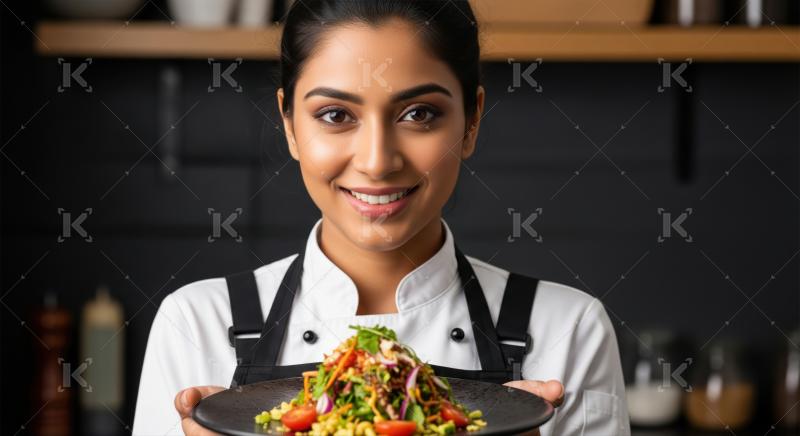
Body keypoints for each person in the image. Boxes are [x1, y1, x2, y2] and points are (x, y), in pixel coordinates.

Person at [131, 1, 630, 435]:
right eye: (335, 115)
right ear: (290, 126)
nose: (376, 160)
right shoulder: (197, 325)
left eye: (418, 113)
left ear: (472, 120)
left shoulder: (568, 329)